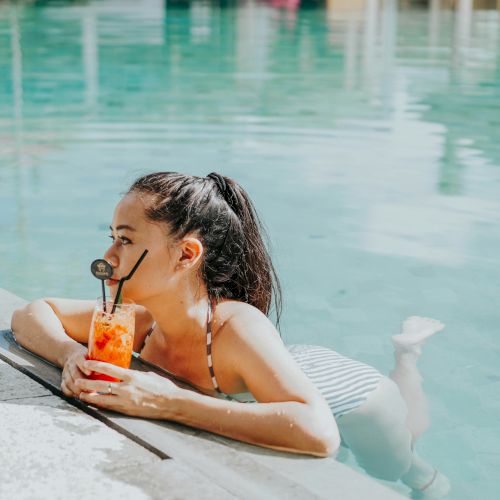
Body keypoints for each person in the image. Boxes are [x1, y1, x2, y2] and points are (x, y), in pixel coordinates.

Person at [11, 172, 450, 498]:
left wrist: (167, 402)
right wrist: (70, 353)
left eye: (125, 241)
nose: (106, 256)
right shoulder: (136, 321)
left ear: (186, 254)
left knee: (399, 468)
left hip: (351, 394)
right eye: (111, 238)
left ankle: (406, 359)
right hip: (279, 370)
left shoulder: (235, 326)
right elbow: (32, 314)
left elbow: (319, 433)